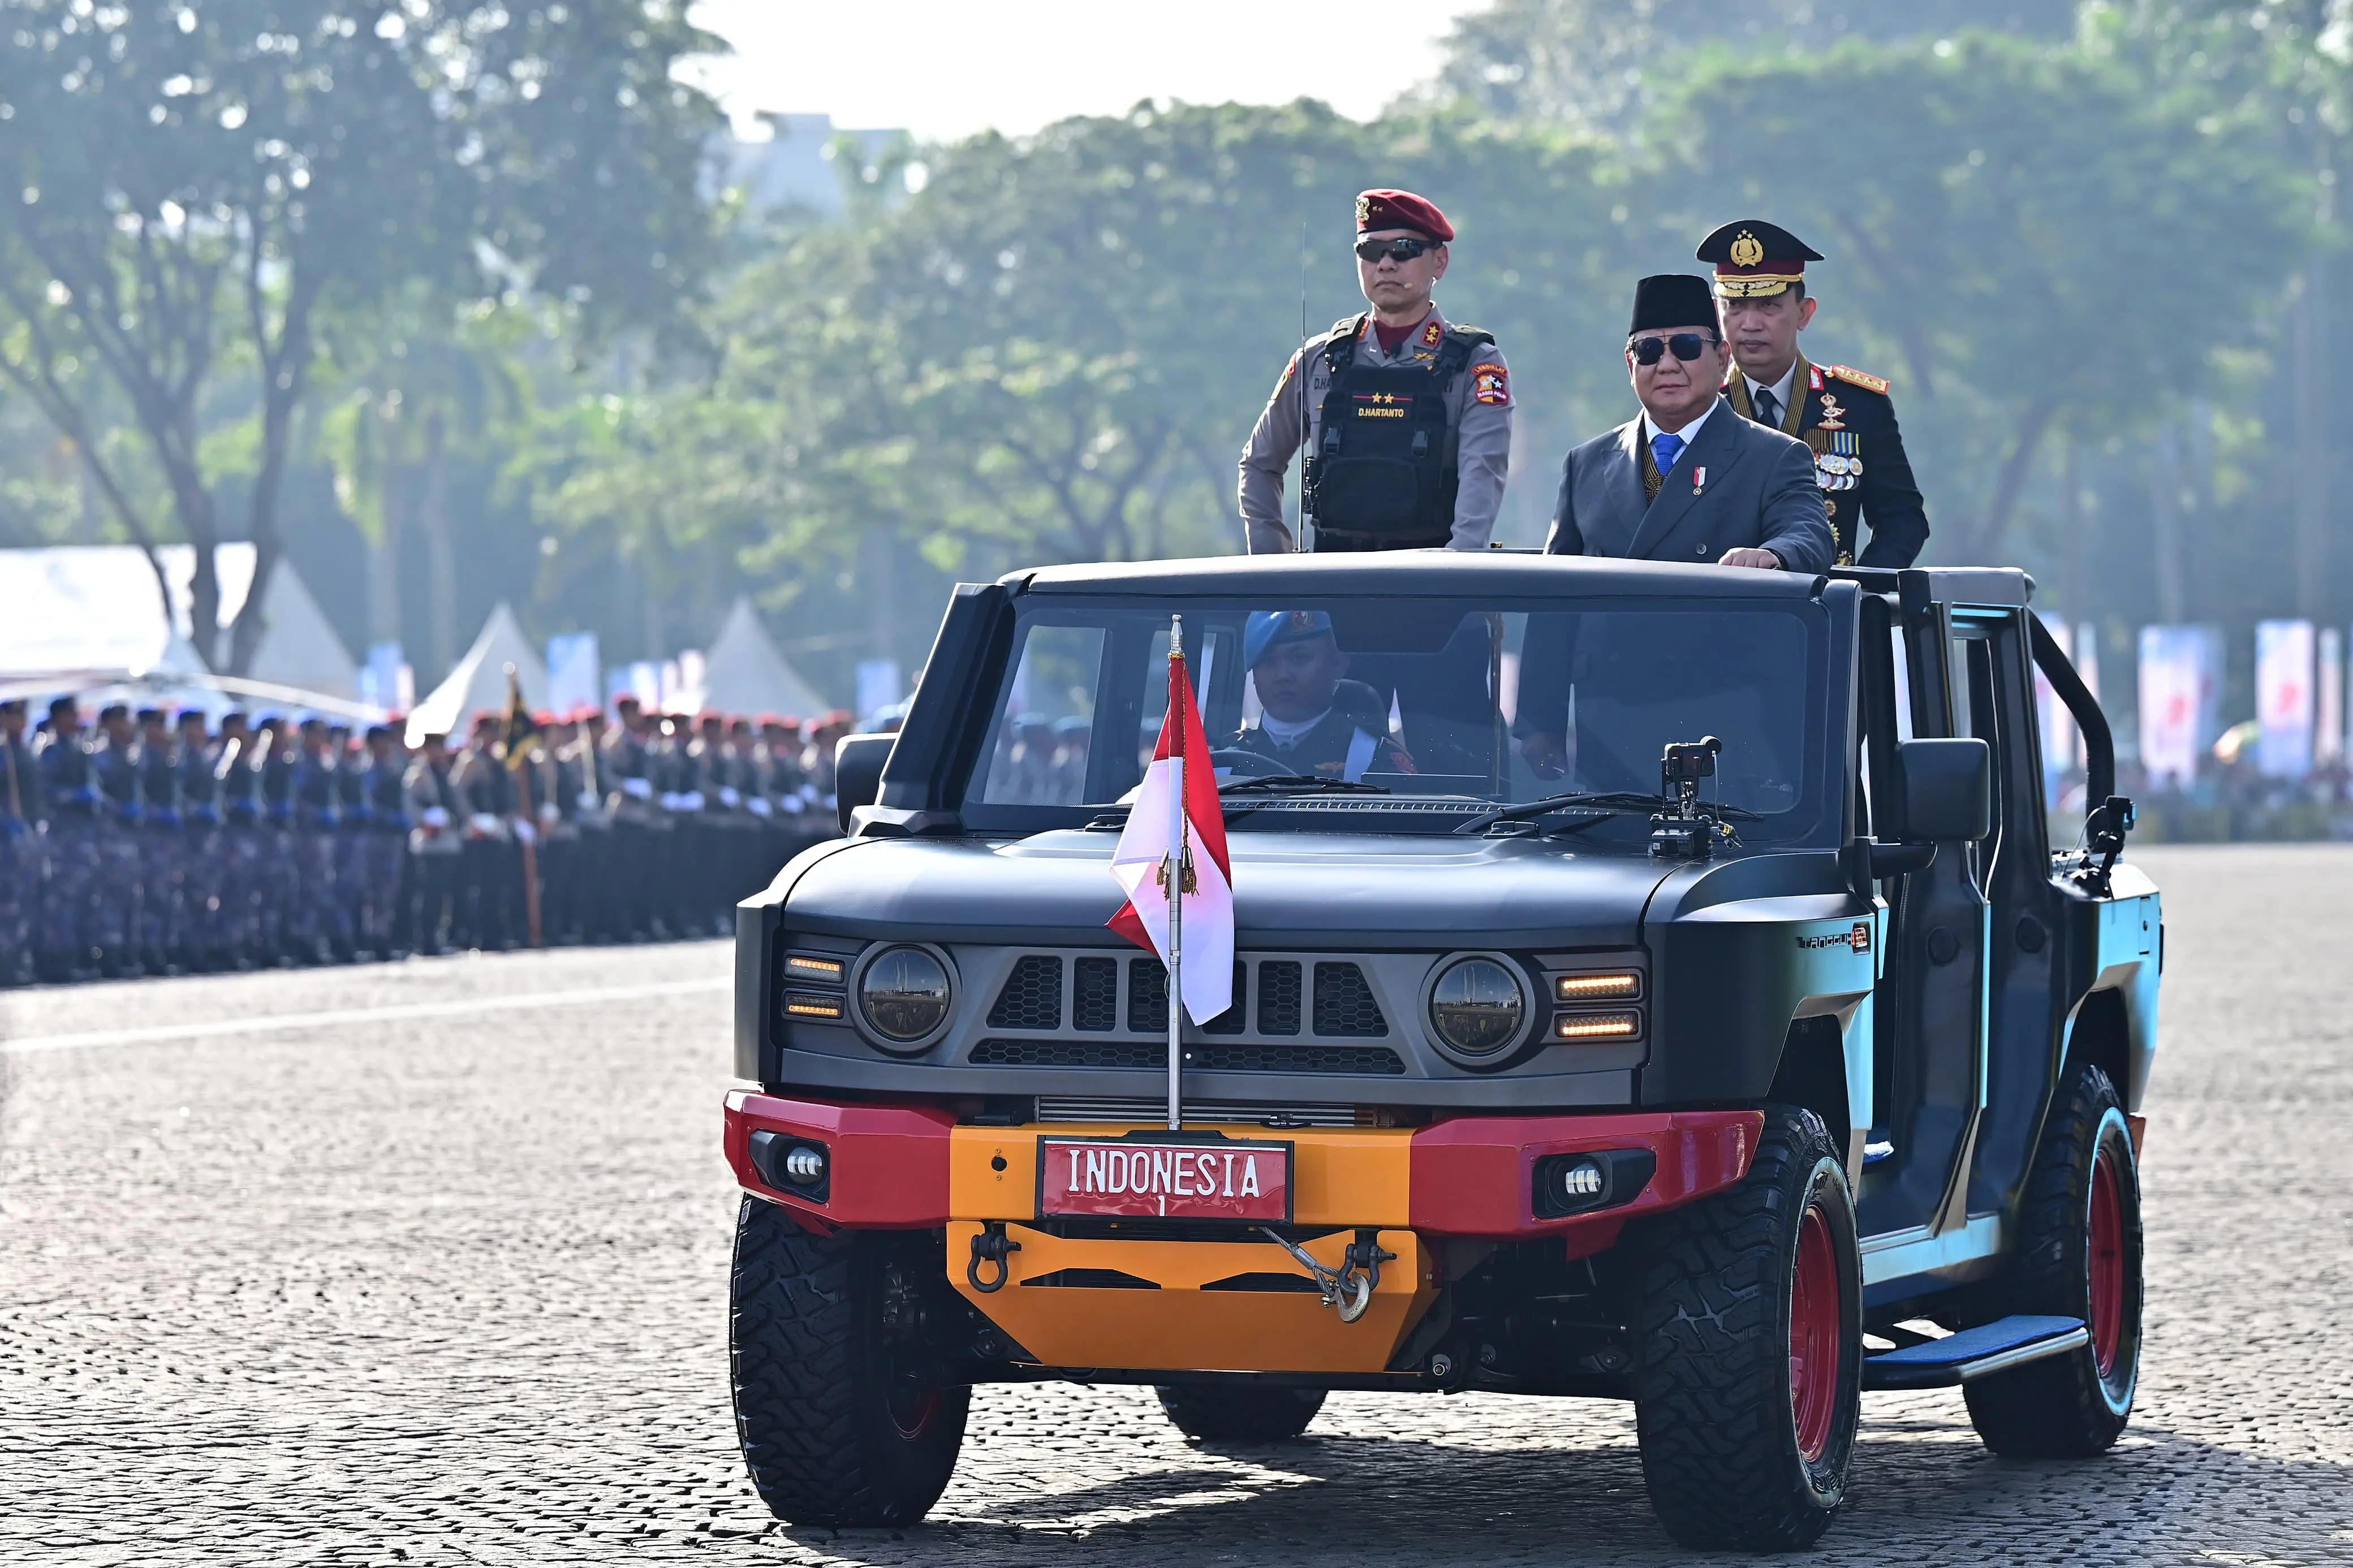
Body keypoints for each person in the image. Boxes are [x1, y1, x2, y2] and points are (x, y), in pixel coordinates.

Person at [1239, 189, 1514, 554]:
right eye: (1370, 252)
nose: (1385, 264)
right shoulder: (1319, 360)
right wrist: (1275, 572)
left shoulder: (1476, 365)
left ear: (1440, 261)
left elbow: (1482, 477)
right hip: (1330, 592)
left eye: (1403, 249)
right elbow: (1259, 464)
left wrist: (1453, 581)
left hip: (1431, 592)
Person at [1544, 273, 1833, 572]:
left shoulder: (1774, 457)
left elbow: (1808, 535)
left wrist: (1775, 555)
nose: (1667, 366)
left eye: (1687, 347)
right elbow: (1552, 590)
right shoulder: (1586, 464)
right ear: (1632, 365)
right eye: (1649, 351)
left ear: (1722, 359)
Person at [1697, 219, 1928, 568]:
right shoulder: (1699, 405)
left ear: (1804, 313)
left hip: (1823, 609)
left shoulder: (1859, 406)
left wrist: (1857, 594)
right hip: (1721, 608)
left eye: (1769, 306)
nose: (1750, 324)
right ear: (1718, 312)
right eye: (1735, 306)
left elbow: (1903, 521)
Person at [1226, 611, 1415, 782]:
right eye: (1268, 662)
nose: (1283, 675)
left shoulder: (1376, 755)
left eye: (1298, 658)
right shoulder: (1222, 757)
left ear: (1338, 665)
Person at [404, 731, 463, 954]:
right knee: (428, 893)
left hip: (447, 841)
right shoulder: (418, 774)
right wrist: (426, 819)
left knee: (442, 894)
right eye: (435, 747)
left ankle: (438, 935)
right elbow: (411, 805)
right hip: (429, 842)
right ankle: (425, 940)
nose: (440, 751)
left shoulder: (445, 772)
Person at [0, 697, 44, 986]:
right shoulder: (4, 753)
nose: (20, 723)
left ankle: (17, 961)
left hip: (23, 835)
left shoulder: (23, 752)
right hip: (5, 836)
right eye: (13, 717)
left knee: (22, 900)